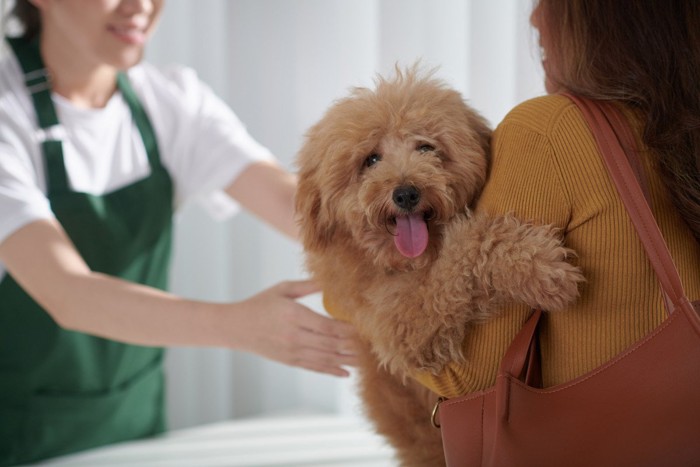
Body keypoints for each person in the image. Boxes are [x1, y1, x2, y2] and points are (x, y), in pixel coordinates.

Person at [0, 0, 358, 465]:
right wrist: (241, 326)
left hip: (135, 426)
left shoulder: (168, 100)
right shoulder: (8, 116)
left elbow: (288, 203)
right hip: (21, 436)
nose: (141, 7)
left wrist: (391, 235)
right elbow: (68, 292)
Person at [414, 0, 700, 398]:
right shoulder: (681, 125)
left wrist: (347, 303)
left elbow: (465, 378)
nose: (534, 18)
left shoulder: (548, 130)